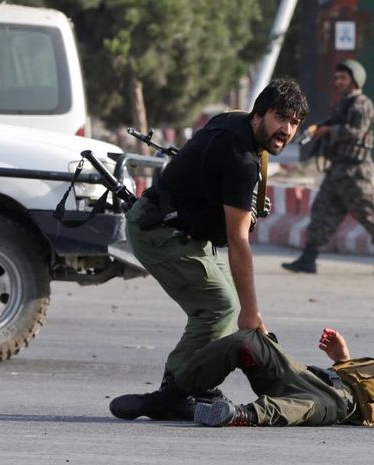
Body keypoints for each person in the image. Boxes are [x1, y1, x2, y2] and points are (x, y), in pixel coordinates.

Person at [109, 79, 309, 420]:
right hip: (159, 231)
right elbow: (238, 240)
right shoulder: (241, 159)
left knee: (223, 304)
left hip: (181, 227)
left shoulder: (235, 122)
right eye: (280, 118)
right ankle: (176, 388)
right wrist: (251, 312)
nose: (286, 130)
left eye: (294, 123)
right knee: (220, 306)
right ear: (259, 114)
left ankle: (194, 383)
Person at [122, 267, 374, 428]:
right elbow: (361, 383)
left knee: (304, 408)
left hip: (337, 405)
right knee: (249, 340)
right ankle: (172, 396)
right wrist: (343, 359)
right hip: (310, 377)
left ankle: (238, 415)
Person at [281, 60, 374, 275]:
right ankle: (308, 258)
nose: (338, 82)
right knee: (321, 212)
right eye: (337, 78)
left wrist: (329, 131)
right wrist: (318, 129)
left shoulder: (361, 104)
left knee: (369, 215)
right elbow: (333, 123)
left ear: (355, 80)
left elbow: (356, 132)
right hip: (337, 171)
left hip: (355, 173)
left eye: (343, 78)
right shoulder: (342, 104)